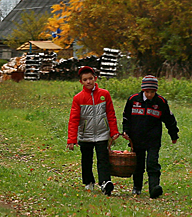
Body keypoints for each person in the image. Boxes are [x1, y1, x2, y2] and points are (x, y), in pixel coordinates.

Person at [122, 75, 179, 198]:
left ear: (156, 91)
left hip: (153, 139)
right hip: (136, 139)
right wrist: (125, 131)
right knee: (138, 164)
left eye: (152, 92)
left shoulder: (161, 102)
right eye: (147, 92)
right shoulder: (133, 100)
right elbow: (126, 118)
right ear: (143, 90)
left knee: (152, 163)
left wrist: (173, 134)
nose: (149, 95)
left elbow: (169, 120)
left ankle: (154, 188)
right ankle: (137, 187)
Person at [67, 66, 120, 196]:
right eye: (85, 80)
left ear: (95, 78)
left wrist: (114, 131)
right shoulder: (78, 98)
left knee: (103, 159)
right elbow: (73, 120)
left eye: (91, 78)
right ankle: (88, 181)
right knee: (86, 160)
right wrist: (71, 139)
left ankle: (105, 183)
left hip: (102, 134)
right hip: (85, 135)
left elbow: (110, 114)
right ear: (81, 82)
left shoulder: (104, 94)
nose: (88, 82)